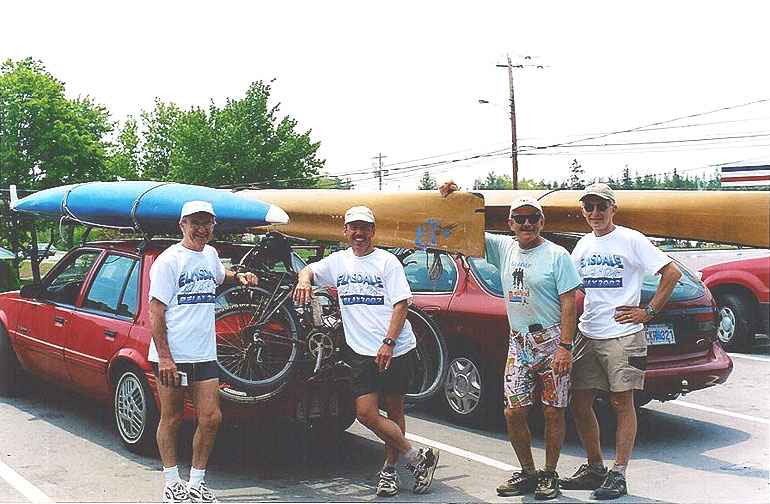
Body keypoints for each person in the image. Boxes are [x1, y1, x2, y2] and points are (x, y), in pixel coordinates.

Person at [440, 181, 580, 500]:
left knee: (553, 411)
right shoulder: (503, 248)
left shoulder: (557, 255)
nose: (526, 223)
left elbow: (569, 305)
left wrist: (565, 347)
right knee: (513, 411)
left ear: (542, 222)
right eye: (520, 218)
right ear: (510, 223)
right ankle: (528, 472)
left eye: (533, 218)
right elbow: (462, 228)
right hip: (519, 343)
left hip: (551, 341)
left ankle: (549, 474)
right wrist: (455, 196)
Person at [292, 205, 440, 497]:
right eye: (354, 227)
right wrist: (303, 279)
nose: (358, 233)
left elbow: (401, 304)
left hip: (395, 348)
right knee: (365, 413)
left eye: (364, 228)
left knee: (394, 410)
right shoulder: (338, 261)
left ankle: (389, 470)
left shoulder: (387, 262)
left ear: (373, 231)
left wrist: (389, 342)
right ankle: (417, 457)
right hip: (360, 351)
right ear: (345, 231)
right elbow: (309, 269)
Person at [560, 183, 682, 500]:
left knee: (621, 404)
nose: (595, 213)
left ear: (613, 209)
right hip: (589, 332)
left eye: (602, 206)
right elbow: (568, 287)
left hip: (623, 336)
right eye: (589, 207)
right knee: (579, 403)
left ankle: (619, 473)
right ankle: (595, 467)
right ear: (583, 211)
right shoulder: (583, 245)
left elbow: (671, 273)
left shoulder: (631, 239)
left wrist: (648, 311)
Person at [149, 200, 258, 503]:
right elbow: (155, 311)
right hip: (173, 357)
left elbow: (220, 274)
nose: (201, 229)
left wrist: (240, 276)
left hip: (204, 355)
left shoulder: (209, 254)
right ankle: (172, 483)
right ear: (182, 225)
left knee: (211, 417)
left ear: (213, 226)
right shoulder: (169, 261)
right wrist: (165, 358)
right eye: (195, 222)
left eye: (207, 223)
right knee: (171, 418)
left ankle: (196, 484)